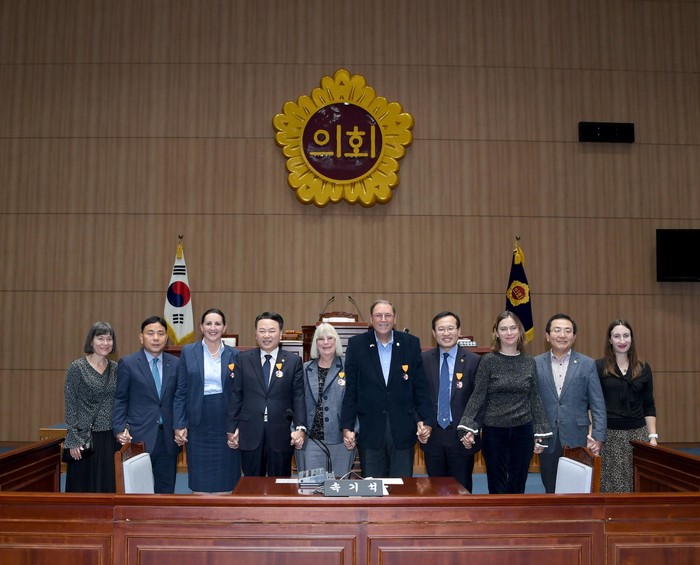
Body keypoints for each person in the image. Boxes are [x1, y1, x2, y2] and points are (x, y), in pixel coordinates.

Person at [457, 311, 552, 494]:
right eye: (503, 329)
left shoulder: (529, 362)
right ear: (496, 333)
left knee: (518, 482)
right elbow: (478, 395)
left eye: (513, 328)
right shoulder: (488, 361)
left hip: (523, 431)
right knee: (496, 483)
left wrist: (541, 430)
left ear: (519, 331)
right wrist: (467, 424)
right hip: (494, 431)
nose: (509, 333)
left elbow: (534, 397)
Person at [340, 300, 434, 478]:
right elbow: (351, 390)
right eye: (378, 315)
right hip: (370, 430)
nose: (383, 319)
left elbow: (420, 387)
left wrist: (426, 420)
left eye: (388, 315)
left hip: (403, 429)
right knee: (373, 487)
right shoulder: (357, 345)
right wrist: (347, 426)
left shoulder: (410, 343)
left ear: (395, 318)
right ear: (371, 319)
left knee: (402, 487)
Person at [226, 311, 306, 477]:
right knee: (251, 484)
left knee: (280, 484)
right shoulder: (243, 359)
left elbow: (298, 397)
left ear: (280, 334)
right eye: (262, 331)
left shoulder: (293, 361)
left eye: (272, 331)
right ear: (255, 334)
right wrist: (231, 427)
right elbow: (236, 395)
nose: (267, 335)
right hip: (250, 430)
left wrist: (300, 428)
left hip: (281, 431)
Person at [534, 313, 607, 493]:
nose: (562, 335)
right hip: (546, 438)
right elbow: (531, 403)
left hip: (578, 438)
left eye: (567, 331)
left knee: (577, 490)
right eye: (557, 330)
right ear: (547, 336)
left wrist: (598, 437)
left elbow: (598, 404)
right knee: (550, 487)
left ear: (574, 337)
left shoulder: (587, 364)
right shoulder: (535, 363)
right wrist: (533, 434)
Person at [174, 309, 241, 494]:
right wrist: (179, 423)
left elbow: (239, 394)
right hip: (198, 419)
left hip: (225, 418)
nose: (213, 328)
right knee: (199, 476)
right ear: (201, 327)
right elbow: (181, 391)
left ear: (224, 327)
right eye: (208, 324)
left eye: (217, 324)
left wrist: (238, 424)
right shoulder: (188, 352)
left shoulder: (234, 355)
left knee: (227, 476)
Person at [112, 316, 181, 493]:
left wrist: (181, 426)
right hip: (138, 437)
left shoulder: (176, 364)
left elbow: (180, 399)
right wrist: (119, 428)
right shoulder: (128, 363)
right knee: (138, 491)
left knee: (166, 492)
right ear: (141, 337)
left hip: (167, 439)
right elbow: (121, 399)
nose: (156, 338)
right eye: (150, 333)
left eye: (160, 333)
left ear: (166, 338)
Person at [420, 311, 482, 491]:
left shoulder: (474, 361)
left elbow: (480, 400)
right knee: (434, 490)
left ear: (459, 331)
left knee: (461, 490)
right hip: (433, 435)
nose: (446, 333)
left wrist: (472, 428)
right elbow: (417, 397)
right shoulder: (423, 360)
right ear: (434, 333)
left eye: (450, 328)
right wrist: (420, 422)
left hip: (462, 436)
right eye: (441, 329)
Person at [596, 319, 657, 493]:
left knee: (637, 483)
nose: (622, 341)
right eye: (617, 336)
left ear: (631, 338)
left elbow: (649, 404)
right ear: (610, 340)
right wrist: (593, 433)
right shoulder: (599, 366)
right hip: (610, 436)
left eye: (626, 335)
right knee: (611, 485)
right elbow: (594, 404)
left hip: (638, 435)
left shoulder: (643, 367)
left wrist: (652, 437)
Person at [63, 322, 120, 493]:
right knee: (83, 488)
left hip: (110, 438)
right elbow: (70, 404)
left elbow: (120, 401)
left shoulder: (116, 368)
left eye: (109, 339)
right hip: (84, 438)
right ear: (91, 341)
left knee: (108, 486)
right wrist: (73, 439)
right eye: (100, 338)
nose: (105, 343)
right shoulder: (77, 367)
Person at [296, 323, 356, 478]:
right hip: (311, 439)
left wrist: (354, 430)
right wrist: (296, 430)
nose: (326, 342)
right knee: (310, 487)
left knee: (339, 486)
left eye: (330, 338)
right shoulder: (305, 368)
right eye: (321, 339)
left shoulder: (349, 366)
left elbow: (357, 400)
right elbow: (297, 402)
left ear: (336, 341)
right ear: (315, 343)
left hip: (341, 439)